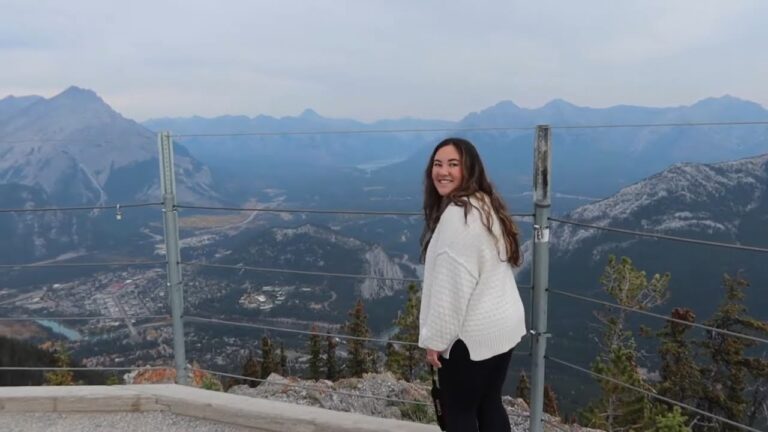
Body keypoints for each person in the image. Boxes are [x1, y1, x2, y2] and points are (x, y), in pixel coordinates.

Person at [418, 137, 527, 432]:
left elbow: (451, 293)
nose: (443, 171)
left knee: (459, 412)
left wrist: (435, 342)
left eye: (453, 164)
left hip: (471, 338)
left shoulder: (458, 217)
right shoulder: (484, 204)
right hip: (502, 329)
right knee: (489, 402)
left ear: (469, 170)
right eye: (438, 164)